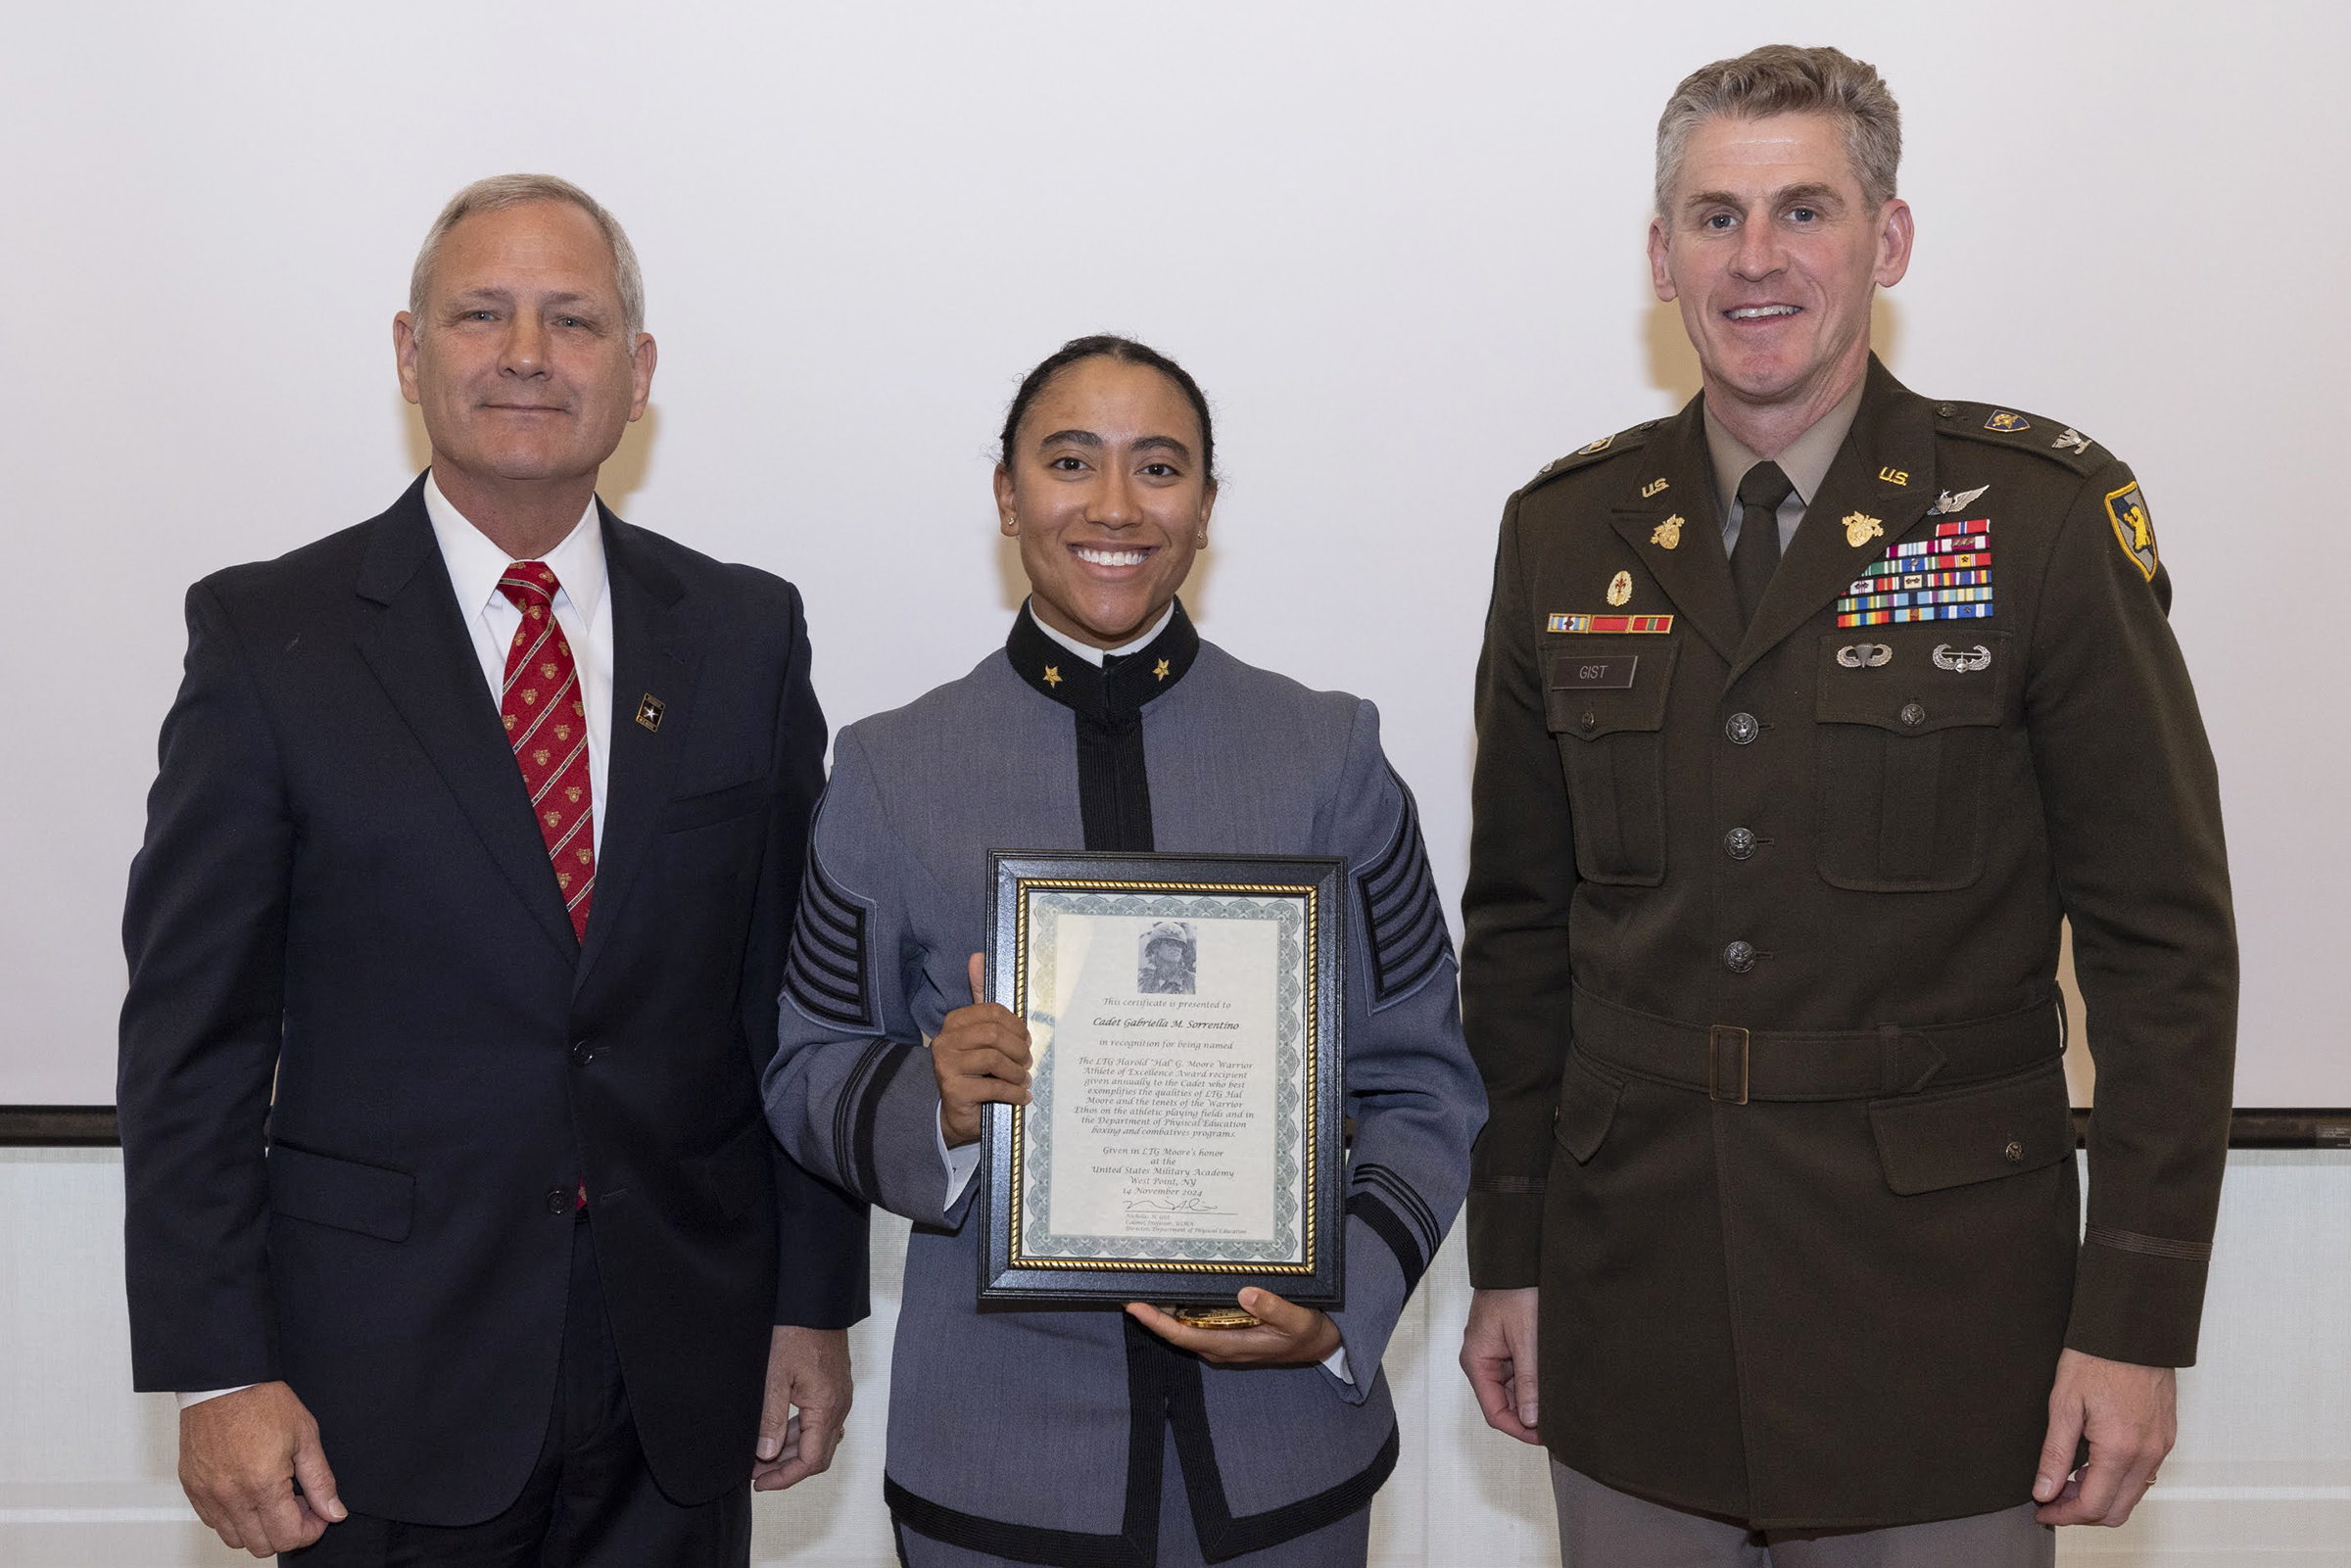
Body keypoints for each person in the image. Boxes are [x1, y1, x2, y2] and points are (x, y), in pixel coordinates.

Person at [1457, 46, 2236, 1566]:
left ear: (1886, 242)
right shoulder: (1561, 534)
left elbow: (2165, 954)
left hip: (1945, 1328)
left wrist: (2135, 1320)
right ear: (1660, 253)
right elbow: (1521, 934)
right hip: (1637, 1306)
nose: (1756, 260)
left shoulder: (2037, 520)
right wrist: (1513, 1250)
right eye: (1713, 217)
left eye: (1803, 211)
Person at [118, 173, 868, 1564]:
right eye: (481, 314)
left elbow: (791, 1006)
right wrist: (218, 1368)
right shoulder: (267, 638)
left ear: (636, 375)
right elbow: (193, 1041)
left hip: (681, 1378)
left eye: (574, 321)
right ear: (411, 354)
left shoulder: (745, 635)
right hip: (372, 1390)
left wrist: (810, 1303)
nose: (527, 353)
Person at [763, 335, 1483, 1567]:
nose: (1112, 504)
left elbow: (1427, 1077)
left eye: (1158, 466)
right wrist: (929, 1096)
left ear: (1205, 504)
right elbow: (804, 1065)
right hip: (995, 1458)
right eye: (1068, 461)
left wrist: (1339, 1298)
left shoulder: (1329, 756)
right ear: (1006, 494)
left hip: (1284, 1455)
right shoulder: (891, 770)